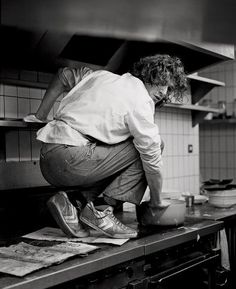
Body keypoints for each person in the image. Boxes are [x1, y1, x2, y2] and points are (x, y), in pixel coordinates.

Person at [24, 54, 188, 239]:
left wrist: (40, 115)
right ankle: (102, 212)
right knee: (152, 147)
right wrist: (156, 202)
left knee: (124, 144)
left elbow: (63, 75)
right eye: (162, 81)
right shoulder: (141, 100)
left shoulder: (101, 76)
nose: (164, 92)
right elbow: (153, 158)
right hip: (72, 160)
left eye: (169, 88)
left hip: (48, 159)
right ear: (147, 74)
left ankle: (74, 203)